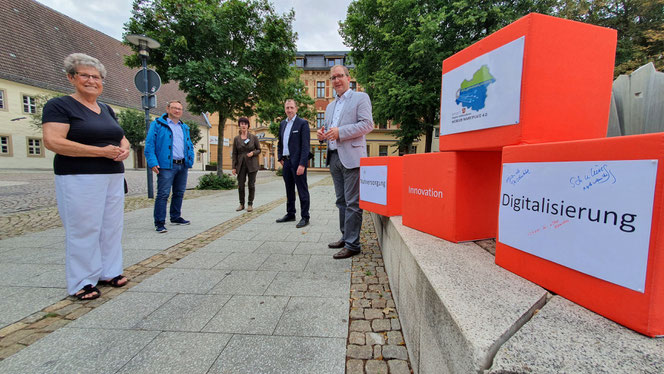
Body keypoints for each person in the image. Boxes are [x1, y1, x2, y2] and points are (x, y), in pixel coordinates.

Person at [42, 53, 130, 300]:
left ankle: (110, 271)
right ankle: (82, 281)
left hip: (111, 174)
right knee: (84, 228)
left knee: (111, 226)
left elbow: (120, 136)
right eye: (85, 75)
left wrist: (125, 148)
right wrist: (99, 151)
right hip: (78, 175)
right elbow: (53, 141)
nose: (92, 80)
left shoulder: (105, 109)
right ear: (72, 77)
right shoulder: (60, 106)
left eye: (96, 77)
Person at [317, 65, 374, 259]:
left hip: (352, 158)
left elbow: (367, 124)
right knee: (341, 201)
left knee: (352, 203)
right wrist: (322, 134)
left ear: (348, 78)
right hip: (333, 157)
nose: (336, 80)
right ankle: (345, 236)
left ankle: (353, 244)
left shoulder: (360, 98)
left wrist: (341, 132)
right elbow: (327, 128)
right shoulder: (331, 106)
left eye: (340, 76)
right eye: (333, 78)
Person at [144, 100, 195, 233]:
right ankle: (160, 222)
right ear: (168, 109)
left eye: (179, 109)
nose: (177, 111)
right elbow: (149, 145)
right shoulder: (158, 125)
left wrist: (190, 159)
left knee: (179, 192)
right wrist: (152, 162)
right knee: (163, 194)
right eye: (174, 108)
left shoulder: (184, 127)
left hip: (182, 164)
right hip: (167, 164)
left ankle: (175, 216)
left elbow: (188, 144)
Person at [276, 99, 311, 228]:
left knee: (302, 190)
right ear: (285, 109)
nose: (289, 110)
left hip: (298, 163)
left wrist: (302, 164)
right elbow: (280, 142)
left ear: (296, 109)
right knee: (289, 189)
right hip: (286, 162)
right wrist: (280, 157)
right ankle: (290, 213)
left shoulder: (302, 123)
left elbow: (305, 146)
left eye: (291, 107)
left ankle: (305, 216)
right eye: (287, 108)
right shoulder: (282, 124)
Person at [232, 117, 261, 212]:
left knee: (251, 184)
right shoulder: (236, 139)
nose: (243, 125)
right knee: (240, 185)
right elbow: (234, 153)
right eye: (241, 123)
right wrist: (233, 167)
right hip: (240, 164)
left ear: (248, 126)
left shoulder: (254, 137)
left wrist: (253, 153)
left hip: (252, 164)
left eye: (245, 123)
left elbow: (259, 150)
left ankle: (250, 204)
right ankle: (241, 204)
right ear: (239, 126)